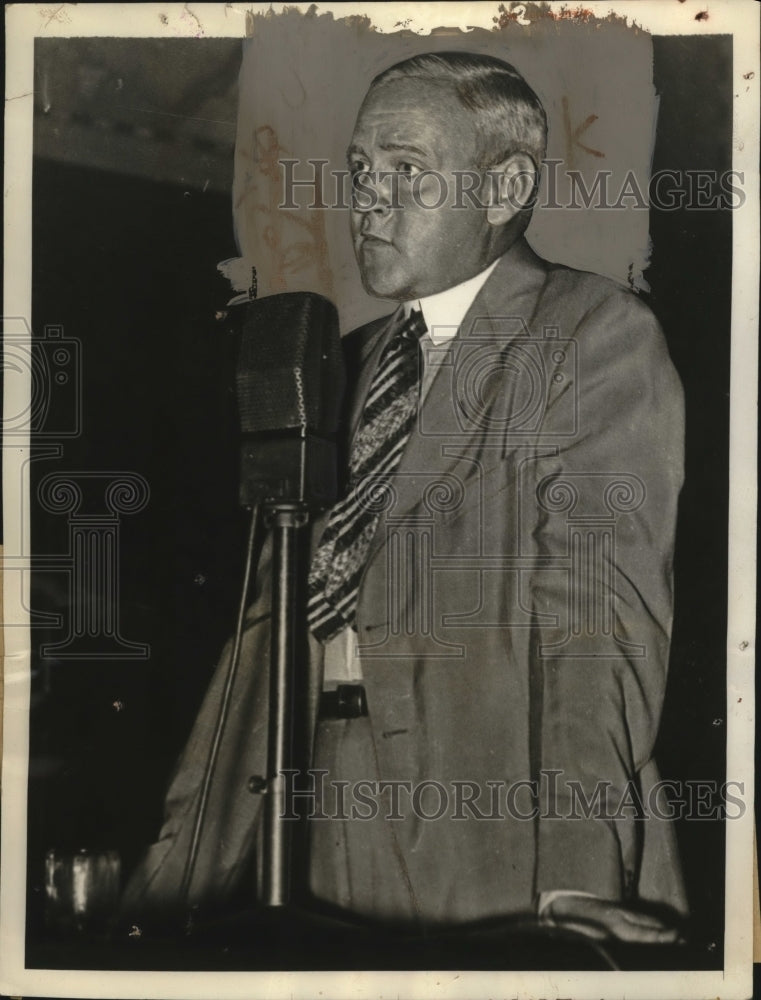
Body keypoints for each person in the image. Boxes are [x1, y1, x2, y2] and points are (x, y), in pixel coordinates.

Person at [123, 52, 687, 945]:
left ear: (504, 190)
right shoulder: (340, 363)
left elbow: (598, 629)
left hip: (500, 829)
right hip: (312, 814)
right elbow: (264, 639)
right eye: (358, 173)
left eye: (407, 172)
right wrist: (162, 891)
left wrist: (575, 881)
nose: (368, 202)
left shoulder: (592, 335)